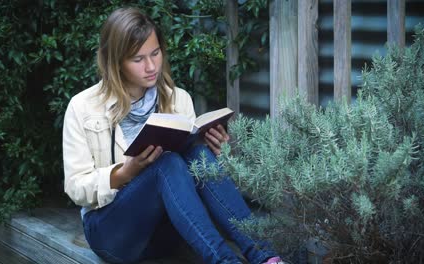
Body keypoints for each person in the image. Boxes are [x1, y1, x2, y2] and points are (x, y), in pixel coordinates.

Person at [63, 6, 284, 264]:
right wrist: (125, 173)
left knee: (197, 152)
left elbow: (190, 185)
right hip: (112, 233)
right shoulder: (83, 107)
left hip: (169, 231)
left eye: (155, 53)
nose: (150, 66)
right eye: (138, 59)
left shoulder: (178, 99)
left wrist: (219, 156)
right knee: (165, 164)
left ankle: (265, 257)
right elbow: (76, 187)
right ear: (116, 62)